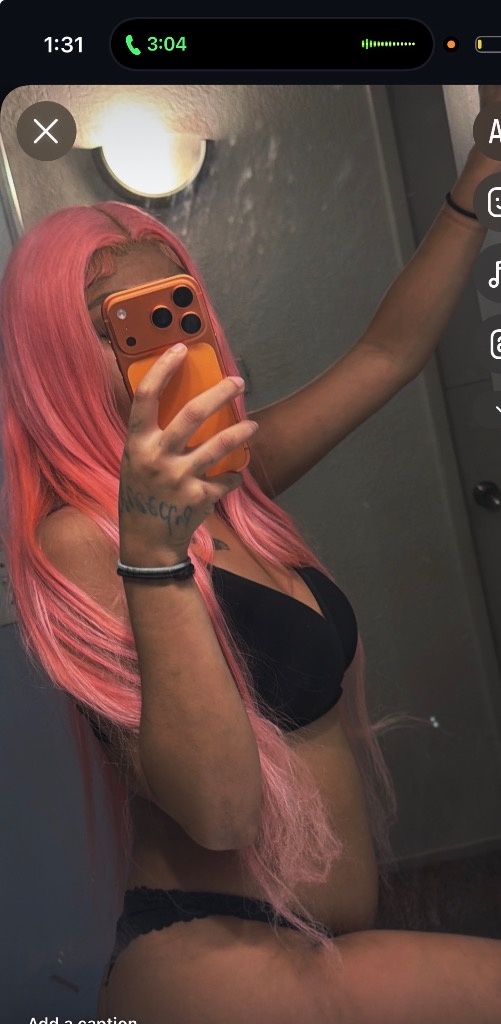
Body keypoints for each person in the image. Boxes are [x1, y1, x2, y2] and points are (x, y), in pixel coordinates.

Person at [1, 87, 501, 1024]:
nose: (162, 343)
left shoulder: (234, 481)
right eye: (118, 323)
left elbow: (385, 355)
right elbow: (222, 814)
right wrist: (153, 547)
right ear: (59, 353)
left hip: (313, 949)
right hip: (213, 953)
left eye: (177, 307)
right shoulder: (80, 537)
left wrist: (482, 167)